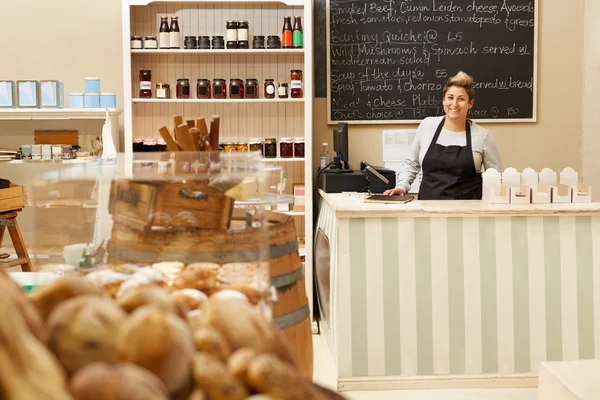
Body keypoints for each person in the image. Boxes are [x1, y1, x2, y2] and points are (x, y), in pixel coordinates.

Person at [383, 71, 503, 200]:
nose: (454, 104)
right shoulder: (427, 126)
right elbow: (412, 163)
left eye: (461, 99)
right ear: (443, 100)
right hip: (428, 208)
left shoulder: (482, 136)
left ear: (470, 103)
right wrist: (401, 187)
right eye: (450, 97)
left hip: (468, 213)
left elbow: (497, 177)